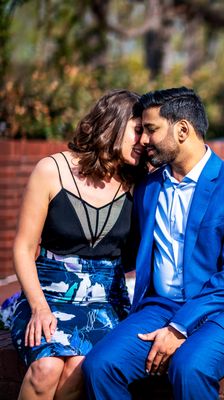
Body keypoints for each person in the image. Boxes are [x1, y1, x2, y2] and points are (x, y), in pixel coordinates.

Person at [82, 87, 224, 400]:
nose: (143, 139)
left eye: (151, 129)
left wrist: (179, 328)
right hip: (161, 307)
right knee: (100, 366)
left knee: (189, 367)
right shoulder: (148, 188)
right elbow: (128, 250)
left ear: (182, 130)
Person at [11, 89, 147, 400]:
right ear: (113, 123)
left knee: (80, 366)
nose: (143, 141)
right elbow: (22, 248)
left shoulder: (137, 183)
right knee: (46, 369)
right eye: (138, 130)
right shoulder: (51, 170)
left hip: (105, 303)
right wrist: (38, 308)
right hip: (47, 296)